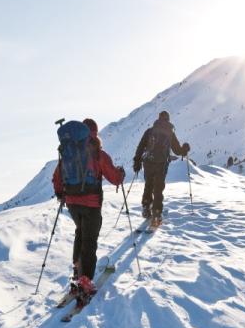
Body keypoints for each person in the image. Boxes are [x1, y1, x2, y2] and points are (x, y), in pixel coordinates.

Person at [51, 118, 125, 299]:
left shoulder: (68, 151)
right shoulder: (98, 153)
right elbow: (114, 178)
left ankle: (77, 270)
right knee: (89, 242)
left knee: (80, 232)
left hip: (72, 203)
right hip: (91, 203)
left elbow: (57, 177)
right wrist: (121, 174)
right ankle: (85, 280)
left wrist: (61, 194)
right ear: (94, 133)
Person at [132, 111, 190, 227]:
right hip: (161, 164)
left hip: (148, 162)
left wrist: (137, 161)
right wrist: (185, 149)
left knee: (148, 184)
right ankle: (157, 214)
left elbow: (141, 146)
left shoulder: (150, 131)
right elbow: (177, 150)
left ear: (158, 119)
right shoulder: (170, 132)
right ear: (168, 120)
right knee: (158, 188)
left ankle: (146, 207)